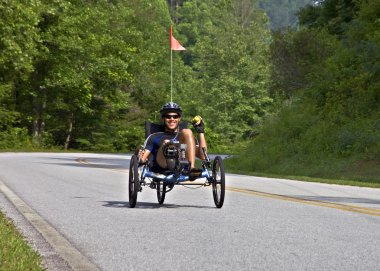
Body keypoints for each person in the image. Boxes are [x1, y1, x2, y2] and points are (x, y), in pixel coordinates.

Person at [139, 102, 207, 178]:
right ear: (163, 118)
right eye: (168, 116)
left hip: (182, 162)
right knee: (167, 142)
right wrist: (139, 156)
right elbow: (142, 159)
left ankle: (191, 169)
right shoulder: (154, 136)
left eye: (175, 116)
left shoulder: (187, 137)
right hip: (162, 165)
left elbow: (203, 156)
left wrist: (201, 132)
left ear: (179, 118)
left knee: (187, 131)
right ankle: (170, 159)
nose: (172, 119)